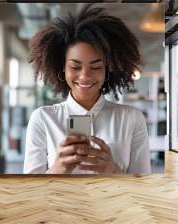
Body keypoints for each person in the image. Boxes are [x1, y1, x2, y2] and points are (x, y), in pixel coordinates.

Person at [23, 4, 150, 174]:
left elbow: (144, 189)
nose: (84, 76)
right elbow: (29, 192)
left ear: (108, 68)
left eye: (96, 67)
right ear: (62, 69)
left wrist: (113, 170)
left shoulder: (131, 118)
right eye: (75, 67)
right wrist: (58, 168)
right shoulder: (43, 119)